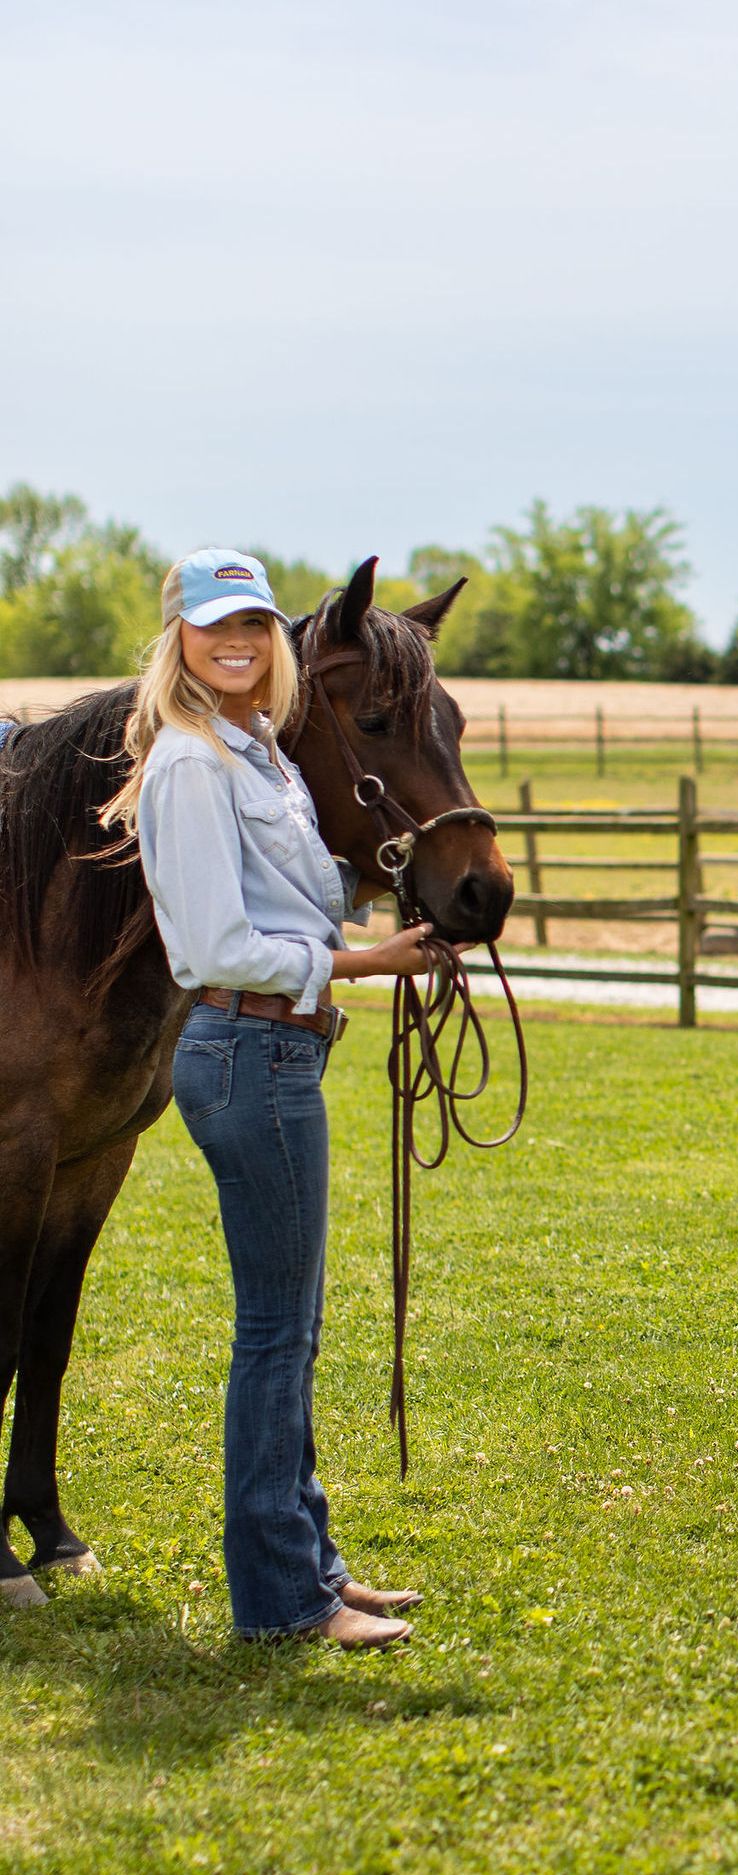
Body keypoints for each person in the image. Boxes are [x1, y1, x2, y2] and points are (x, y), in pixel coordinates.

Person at [101, 550, 442, 1648]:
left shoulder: (261, 756)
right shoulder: (195, 766)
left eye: (252, 622)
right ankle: (283, 1600)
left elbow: (298, 894)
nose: (237, 642)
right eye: (213, 627)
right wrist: (367, 964)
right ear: (179, 641)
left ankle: (313, 1571)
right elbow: (213, 947)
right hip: (249, 1053)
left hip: (278, 1057)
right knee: (272, 1336)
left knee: (288, 1333)